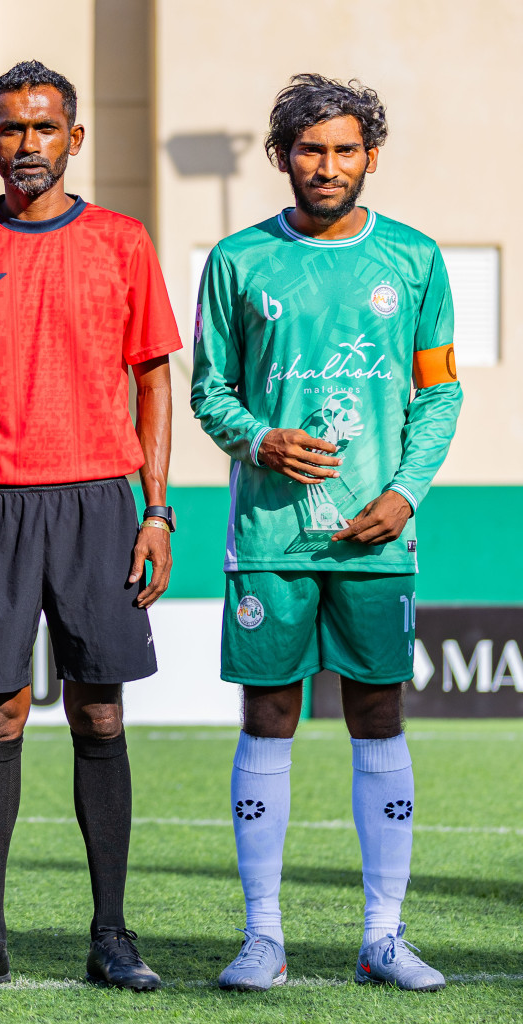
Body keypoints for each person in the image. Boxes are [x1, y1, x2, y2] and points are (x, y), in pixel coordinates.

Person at [0, 60, 180, 992]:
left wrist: (155, 509)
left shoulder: (121, 242)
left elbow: (152, 380)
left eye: (44, 128)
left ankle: (113, 933)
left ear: (74, 138)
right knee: (0, 716)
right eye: (11, 131)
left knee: (99, 713)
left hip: (101, 501)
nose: (28, 146)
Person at [191, 74, 462, 993]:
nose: (329, 166)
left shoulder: (415, 261)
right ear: (282, 156)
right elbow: (208, 389)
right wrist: (257, 437)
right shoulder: (235, 261)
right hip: (271, 536)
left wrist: (408, 491)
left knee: (377, 714)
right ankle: (261, 935)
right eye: (311, 149)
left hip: (375, 536)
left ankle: (382, 937)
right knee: (269, 716)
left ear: (370, 158)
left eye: (346, 149)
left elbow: (441, 392)